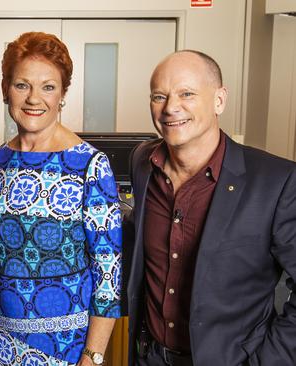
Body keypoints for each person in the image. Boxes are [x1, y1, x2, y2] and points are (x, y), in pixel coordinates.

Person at [127, 50, 296, 365]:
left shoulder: (277, 181)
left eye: (187, 93)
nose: (170, 108)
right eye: (158, 96)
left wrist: (268, 360)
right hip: (148, 356)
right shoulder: (142, 163)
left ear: (220, 100)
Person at [0, 32, 122, 366]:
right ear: (5, 89)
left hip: (65, 346)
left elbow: (108, 273)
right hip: (0, 337)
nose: (33, 99)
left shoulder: (89, 165)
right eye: (22, 85)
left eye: (48, 86)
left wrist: (93, 355)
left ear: (62, 95)